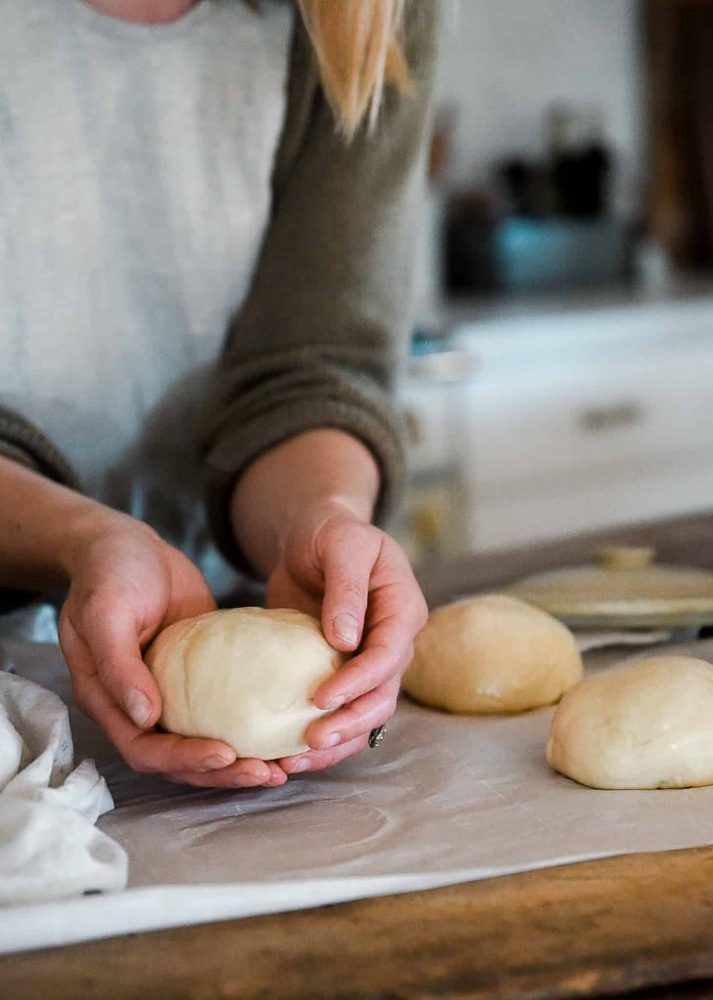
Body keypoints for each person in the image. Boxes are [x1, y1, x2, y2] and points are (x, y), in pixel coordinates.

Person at [0, 0, 439, 789]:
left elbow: (309, 367)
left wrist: (321, 520)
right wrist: (77, 538)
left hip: (219, 598)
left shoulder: (364, 12)